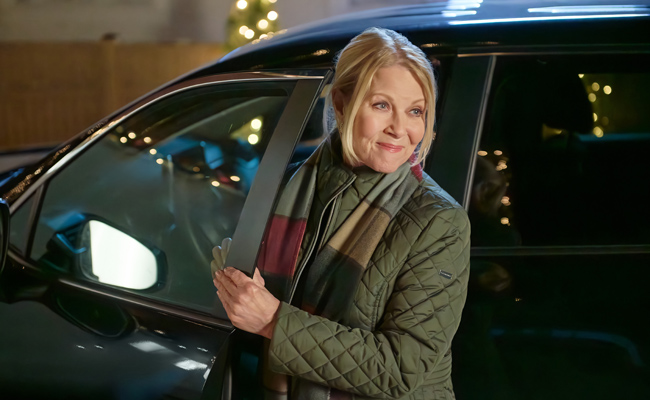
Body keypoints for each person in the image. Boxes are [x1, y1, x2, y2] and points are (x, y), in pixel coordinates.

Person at [213, 27, 470, 400]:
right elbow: (245, 296)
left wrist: (273, 321)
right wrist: (234, 282)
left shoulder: (438, 221)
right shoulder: (286, 185)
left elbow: (401, 369)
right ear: (342, 103)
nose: (400, 129)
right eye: (382, 105)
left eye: (415, 111)